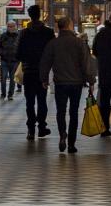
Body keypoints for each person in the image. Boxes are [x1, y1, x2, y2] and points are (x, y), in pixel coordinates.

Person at [40, 16, 96, 154]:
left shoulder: (53, 43)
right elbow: (86, 63)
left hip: (60, 83)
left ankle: (62, 134)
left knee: (61, 111)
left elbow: (45, 62)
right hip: (76, 83)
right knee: (74, 112)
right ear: (70, 26)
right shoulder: (79, 43)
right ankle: (71, 143)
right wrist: (91, 81)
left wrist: (44, 79)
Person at [15, 4, 54, 140]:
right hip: (42, 71)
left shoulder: (23, 33)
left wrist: (26, 59)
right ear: (40, 14)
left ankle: (31, 130)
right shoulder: (48, 32)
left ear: (30, 16)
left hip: (29, 71)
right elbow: (52, 52)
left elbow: (18, 54)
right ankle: (42, 127)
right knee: (42, 100)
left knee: (29, 102)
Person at [0, 21, 20, 100]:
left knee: (13, 79)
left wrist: (19, 56)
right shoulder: (3, 36)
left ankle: (10, 94)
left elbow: (22, 47)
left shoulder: (18, 36)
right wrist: (2, 53)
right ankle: (3, 94)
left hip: (15, 60)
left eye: (12, 26)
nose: (11, 28)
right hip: (4, 60)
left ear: (15, 26)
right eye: (9, 26)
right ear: (7, 27)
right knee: (3, 78)